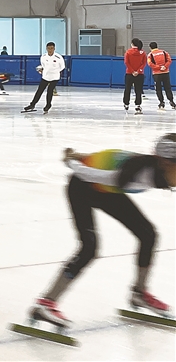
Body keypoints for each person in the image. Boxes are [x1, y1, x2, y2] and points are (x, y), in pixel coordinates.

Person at [28, 135, 176, 329]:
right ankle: (45, 304)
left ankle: (139, 294)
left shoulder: (148, 166)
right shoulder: (139, 175)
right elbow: (90, 174)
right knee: (89, 248)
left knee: (148, 234)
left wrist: (82, 156)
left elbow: (113, 158)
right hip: (82, 185)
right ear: (165, 163)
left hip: (107, 190)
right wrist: (72, 161)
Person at [22, 42, 65, 114]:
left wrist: (55, 72)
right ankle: (32, 105)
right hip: (45, 76)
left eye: (51, 48)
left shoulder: (59, 57)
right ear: (46, 49)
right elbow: (43, 65)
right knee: (39, 91)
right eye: (48, 48)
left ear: (54, 48)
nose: (50, 50)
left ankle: (48, 105)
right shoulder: (43, 57)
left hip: (54, 77)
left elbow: (62, 67)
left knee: (50, 90)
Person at [147, 42, 175, 110]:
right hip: (165, 72)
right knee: (167, 88)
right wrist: (164, 67)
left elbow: (150, 63)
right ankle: (171, 102)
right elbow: (169, 60)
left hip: (157, 74)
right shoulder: (164, 52)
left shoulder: (150, 55)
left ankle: (161, 102)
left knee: (158, 89)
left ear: (150, 48)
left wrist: (158, 67)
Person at [123, 38, 146, 114]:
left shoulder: (128, 52)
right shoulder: (143, 53)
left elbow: (126, 62)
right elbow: (144, 63)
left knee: (127, 89)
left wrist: (132, 71)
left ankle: (126, 103)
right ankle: (138, 105)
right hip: (140, 74)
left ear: (132, 44)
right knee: (138, 90)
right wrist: (138, 71)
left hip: (129, 73)